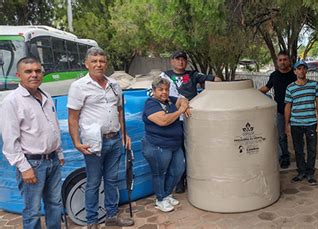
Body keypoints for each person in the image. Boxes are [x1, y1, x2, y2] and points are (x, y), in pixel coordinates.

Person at [67, 47, 134, 228]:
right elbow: (73, 117)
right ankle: (92, 222)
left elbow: (119, 110)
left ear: (106, 63)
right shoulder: (79, 86)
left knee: (112, 180)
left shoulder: (114, 85)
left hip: (114, 139)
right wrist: (76, 142)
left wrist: (124, 134)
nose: (99, 64)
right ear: (86, 64)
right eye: (94, 61)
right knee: (94, 183)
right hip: (93, 143)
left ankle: (112, 217)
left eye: (102, 61)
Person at [0, 57, 64, 229]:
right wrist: (24, 167)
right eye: (28, 71)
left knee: (55, 204)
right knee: (33, 210)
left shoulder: (46, 96)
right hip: (32, 164)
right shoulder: (12, 102)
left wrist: (59, 152)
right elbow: (10, 140)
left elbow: (53, 126)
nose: (34, 75)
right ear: (18, 75)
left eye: (38, 70)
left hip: (53, 161)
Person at [160, 50, 221, 193]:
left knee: (194, 149)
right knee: (178, 150)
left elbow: (214, 79)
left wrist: (218, 87)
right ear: (172, 61)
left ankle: (197, 177)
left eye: (183, 59)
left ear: (186, 62)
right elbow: (156, 92)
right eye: (177, 59)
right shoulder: (165, 76)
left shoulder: (193, 75)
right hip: (175, 118)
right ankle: (180, 181)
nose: (180, 62)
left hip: (192, 118)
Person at [142, 77, 188, 212]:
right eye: (160, 90)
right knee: (159, 173)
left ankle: (167, 194)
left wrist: (184, 103)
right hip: (157, 146)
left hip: (174, 144)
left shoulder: (169, 100)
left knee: (178, 170)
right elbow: (163, 121)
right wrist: (180, 111)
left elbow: (181, 99)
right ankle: (160, 199)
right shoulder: (151, 104)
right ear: (154, 91)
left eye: (166, 90)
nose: (164, 92)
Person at [284, 60, 318, 185]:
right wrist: (286, 124)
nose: (301, 71)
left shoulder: (314, 85)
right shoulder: (290, 87)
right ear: (295, 71)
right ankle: (301, 172)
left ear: (306, 70)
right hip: (296, 123)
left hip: (311, 123)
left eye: (303, 68)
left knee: (312, 149)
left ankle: (310, 173)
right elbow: (288, 106)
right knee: (298, 149)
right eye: (298, 69)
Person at [260, 51, 296, 169]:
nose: (282, 62)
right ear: (277, 62)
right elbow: (266, 87)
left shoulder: (295, 74)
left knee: (297, 135)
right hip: (280, 111)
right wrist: (252, 93)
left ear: (289, 61)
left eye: (285, 59)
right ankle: (284, 157)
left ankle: (300, 158)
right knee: (281, 136)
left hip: (296, 111)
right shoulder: (274, 75)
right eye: (280, 60)